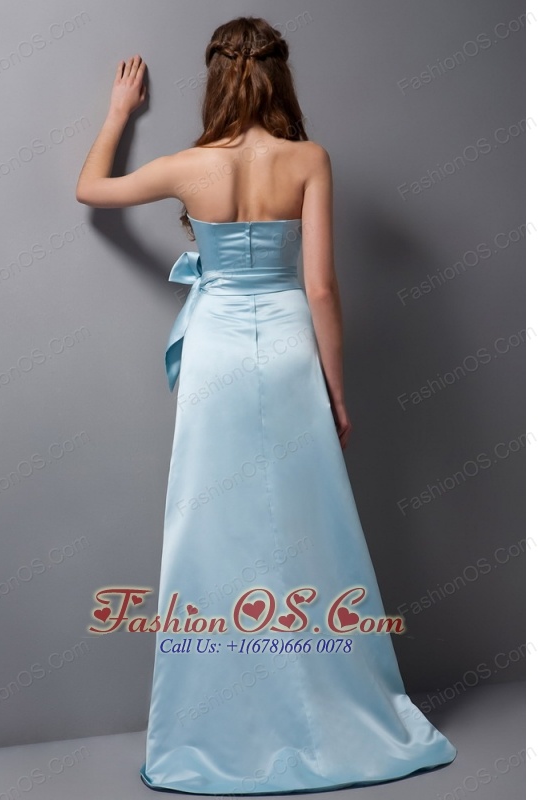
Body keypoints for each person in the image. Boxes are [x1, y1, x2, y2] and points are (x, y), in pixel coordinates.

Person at [76, 15, 457, 796]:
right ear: (280, 76)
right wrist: (336, 392)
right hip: (286, 348)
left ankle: (218, 721)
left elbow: (91, 192)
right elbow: (320, 287)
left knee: (209, 523)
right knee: (306, 523)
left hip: (215, 349)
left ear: (216, 78)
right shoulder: (308, 159)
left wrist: (117, 114)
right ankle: (322, 707)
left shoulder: (189, 165)